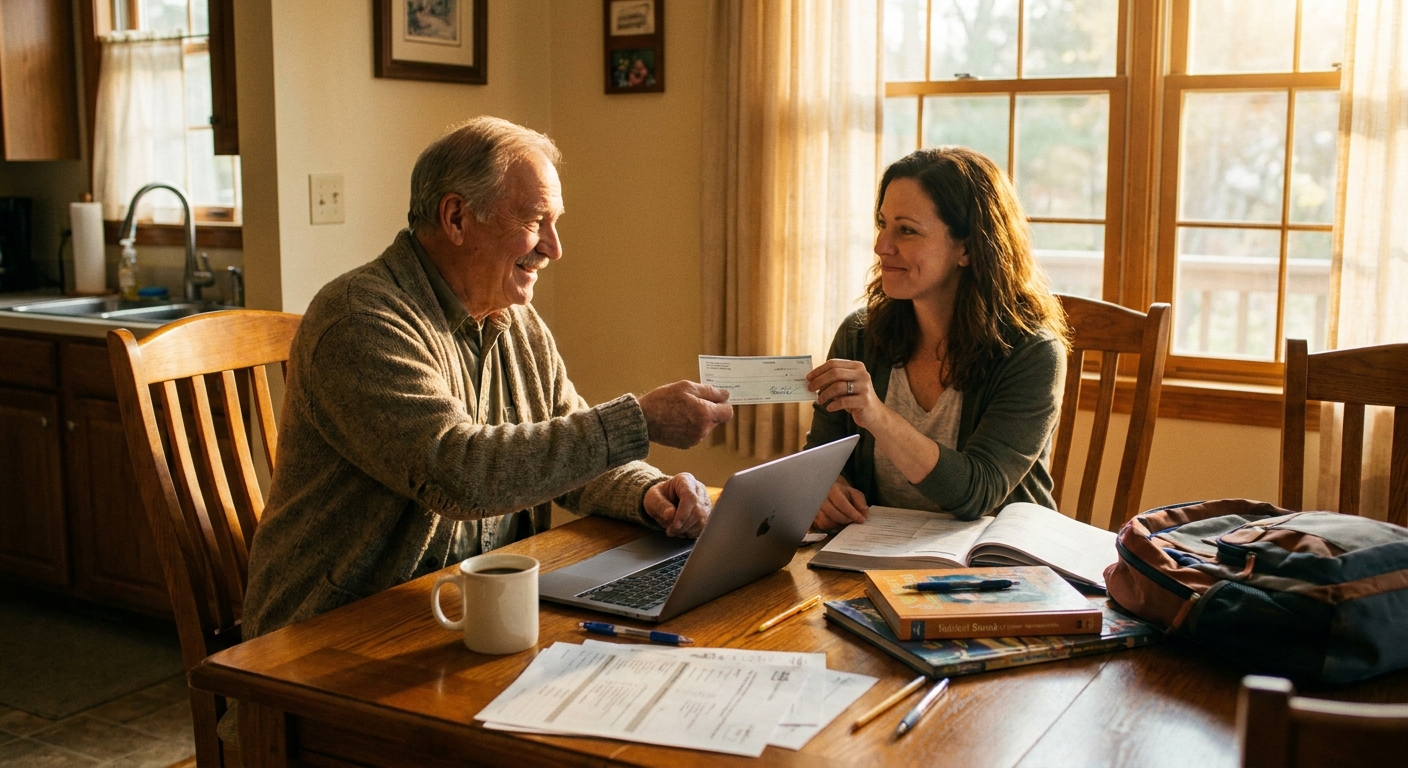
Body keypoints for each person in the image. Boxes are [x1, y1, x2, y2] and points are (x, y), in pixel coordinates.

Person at [241, 117, 734, 640]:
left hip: (464, 617)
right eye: (536, 219)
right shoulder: (359, 320)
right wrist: (638, 419)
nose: (553, 247)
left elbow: (568, 446)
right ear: (456, 218)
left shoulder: (515, 319)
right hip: (332, 638)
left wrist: (649, 491)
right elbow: (458, 472)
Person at [804, 146, 1069, 530]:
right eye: (883, 223)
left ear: (967, 247)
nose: (882, 246)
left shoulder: (1033, 353)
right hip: (871, 559)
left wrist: (876, 416)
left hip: (998, 569)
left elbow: (978, 492)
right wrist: (826, 485)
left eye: (907, 230)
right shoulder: (859, 335)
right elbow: (820, 456)